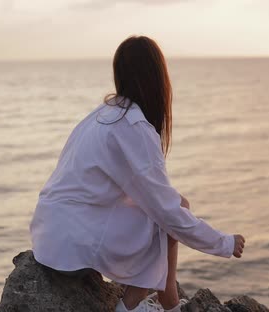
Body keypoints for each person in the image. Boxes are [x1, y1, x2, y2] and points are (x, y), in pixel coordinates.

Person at [30, 35, 246, 312]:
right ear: (157, 78)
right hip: (72, 247)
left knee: (172, 205)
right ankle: (132, 306)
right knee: (167, 212)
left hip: (50, 236)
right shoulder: (133, 127)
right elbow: (168, 214)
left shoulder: (102, 114)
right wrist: (224, 243)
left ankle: (168, 301)